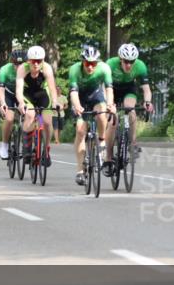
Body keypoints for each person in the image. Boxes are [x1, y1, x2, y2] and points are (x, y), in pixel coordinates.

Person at [104, 43, 154, 172]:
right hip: (111, 89)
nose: (129, 65)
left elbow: (147, 90)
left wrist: (147, 102)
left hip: (128, 90)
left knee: (130, 110)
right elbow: (102, 85)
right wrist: (109, 104)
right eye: (126, 61)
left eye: (131, 62)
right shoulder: (110, 64)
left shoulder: (140, 66)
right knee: (112, 121)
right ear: (120, 59)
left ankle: (133, 143)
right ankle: (108, 158)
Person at [68, 43, 114, 186]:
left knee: (102, 112)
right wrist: (77, 106)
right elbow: (73, 93)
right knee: (80, 131)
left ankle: (101, 139)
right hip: (80, 98)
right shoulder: (74, 70)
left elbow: (108, 89)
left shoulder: (104, 68)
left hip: (95, 95)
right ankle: (80, 170)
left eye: (93, 64)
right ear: (83, 61)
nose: (90, 67)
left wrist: (110, 105)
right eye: (88, 63)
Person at [14, 45, 62, 167]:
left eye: (39, 61)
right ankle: (27, 148)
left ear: (43, 61)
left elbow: (52, 88)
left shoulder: (47, 68)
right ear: (28, 61)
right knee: (30, 115)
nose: (36, 64)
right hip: (27, 95)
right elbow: (19, 90)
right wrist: (21, 103)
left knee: (47, 121)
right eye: (33, 61)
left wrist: (56, 101)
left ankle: (46, 150)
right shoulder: (22, 69)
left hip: (42, 94)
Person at [0, 48, 26, 159]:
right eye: (16, 64)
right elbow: (1, 89)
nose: (18, 67)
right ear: (12, 62)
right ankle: (4, 145)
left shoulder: (29, 70)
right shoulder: (4, 70)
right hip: (9, 94)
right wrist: (2, 103)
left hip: (23, 94)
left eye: (21, 64)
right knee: (9, 118)